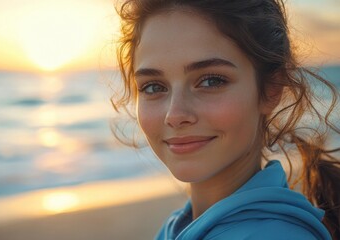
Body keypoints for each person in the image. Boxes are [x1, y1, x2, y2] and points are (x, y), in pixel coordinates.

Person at [111, 0, 340, 239]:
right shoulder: (177, 227)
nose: (175, 115)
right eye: (153, 86)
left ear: (272, 89)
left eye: (211, 81)